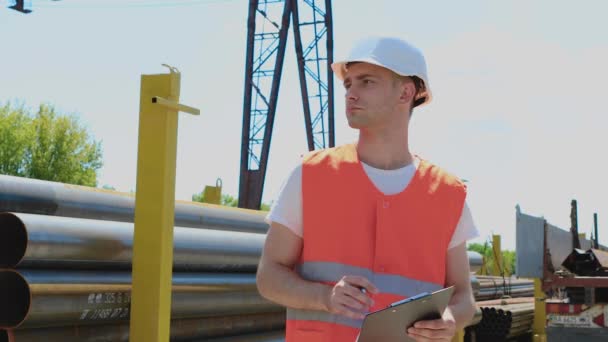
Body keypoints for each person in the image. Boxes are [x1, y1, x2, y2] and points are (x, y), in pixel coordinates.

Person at [256, 36, 478, 342]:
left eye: (366, 82)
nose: (351, 94)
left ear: (405, 92)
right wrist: (324, 297)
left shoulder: (447, 194)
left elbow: (464, 297)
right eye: (348, 84)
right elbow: (268, 277)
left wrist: (450, 319)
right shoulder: (310, 175)